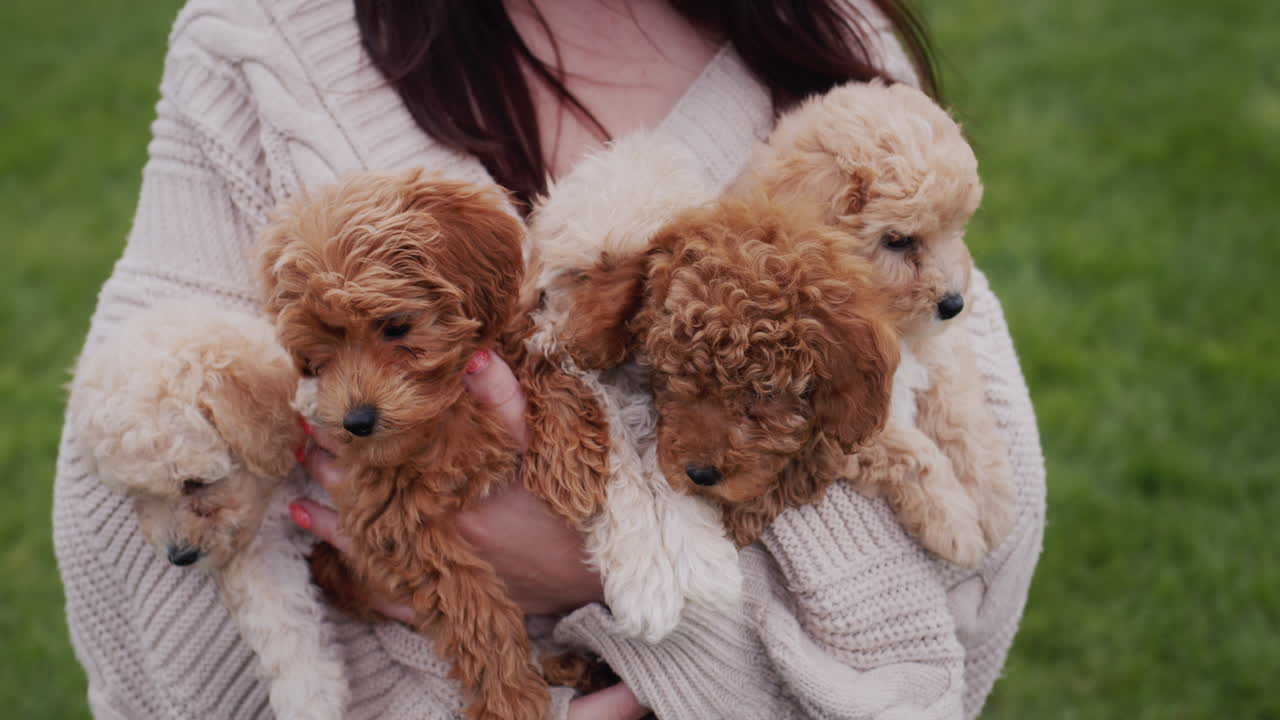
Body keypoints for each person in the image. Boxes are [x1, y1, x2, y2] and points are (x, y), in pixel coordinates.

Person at [53, 0, 1046, 718]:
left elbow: (972, 515)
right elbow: (137, 520)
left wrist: (624, 601)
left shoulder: (825, 37)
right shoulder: (263, 41)